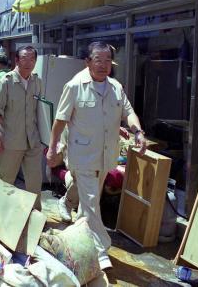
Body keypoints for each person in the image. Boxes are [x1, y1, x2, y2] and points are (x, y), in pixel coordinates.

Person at [46, 41, 147, 270]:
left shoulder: (115, 87)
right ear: (88, 61)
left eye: (107, 61)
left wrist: (137, 132)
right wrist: (53, 148)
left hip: (105, 156)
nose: (103, 65)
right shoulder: (74, 86)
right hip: (82, 155)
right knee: (91, 205)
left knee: (88, 205)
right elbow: (60, 121)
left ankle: (73, 245)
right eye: (98, 60)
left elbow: (128, 112)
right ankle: (101, 253)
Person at [0, 46, 43, 209]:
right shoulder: (6, 81)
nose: (28, 63)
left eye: (32, 59)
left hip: (32, 141)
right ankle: (0, 213)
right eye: (24, 58)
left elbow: (40, 111)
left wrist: (45, 139)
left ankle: (36, 216)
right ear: (16, 60)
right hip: (10, 141)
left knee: (35, 182)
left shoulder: (37, 81)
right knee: (6, 181)